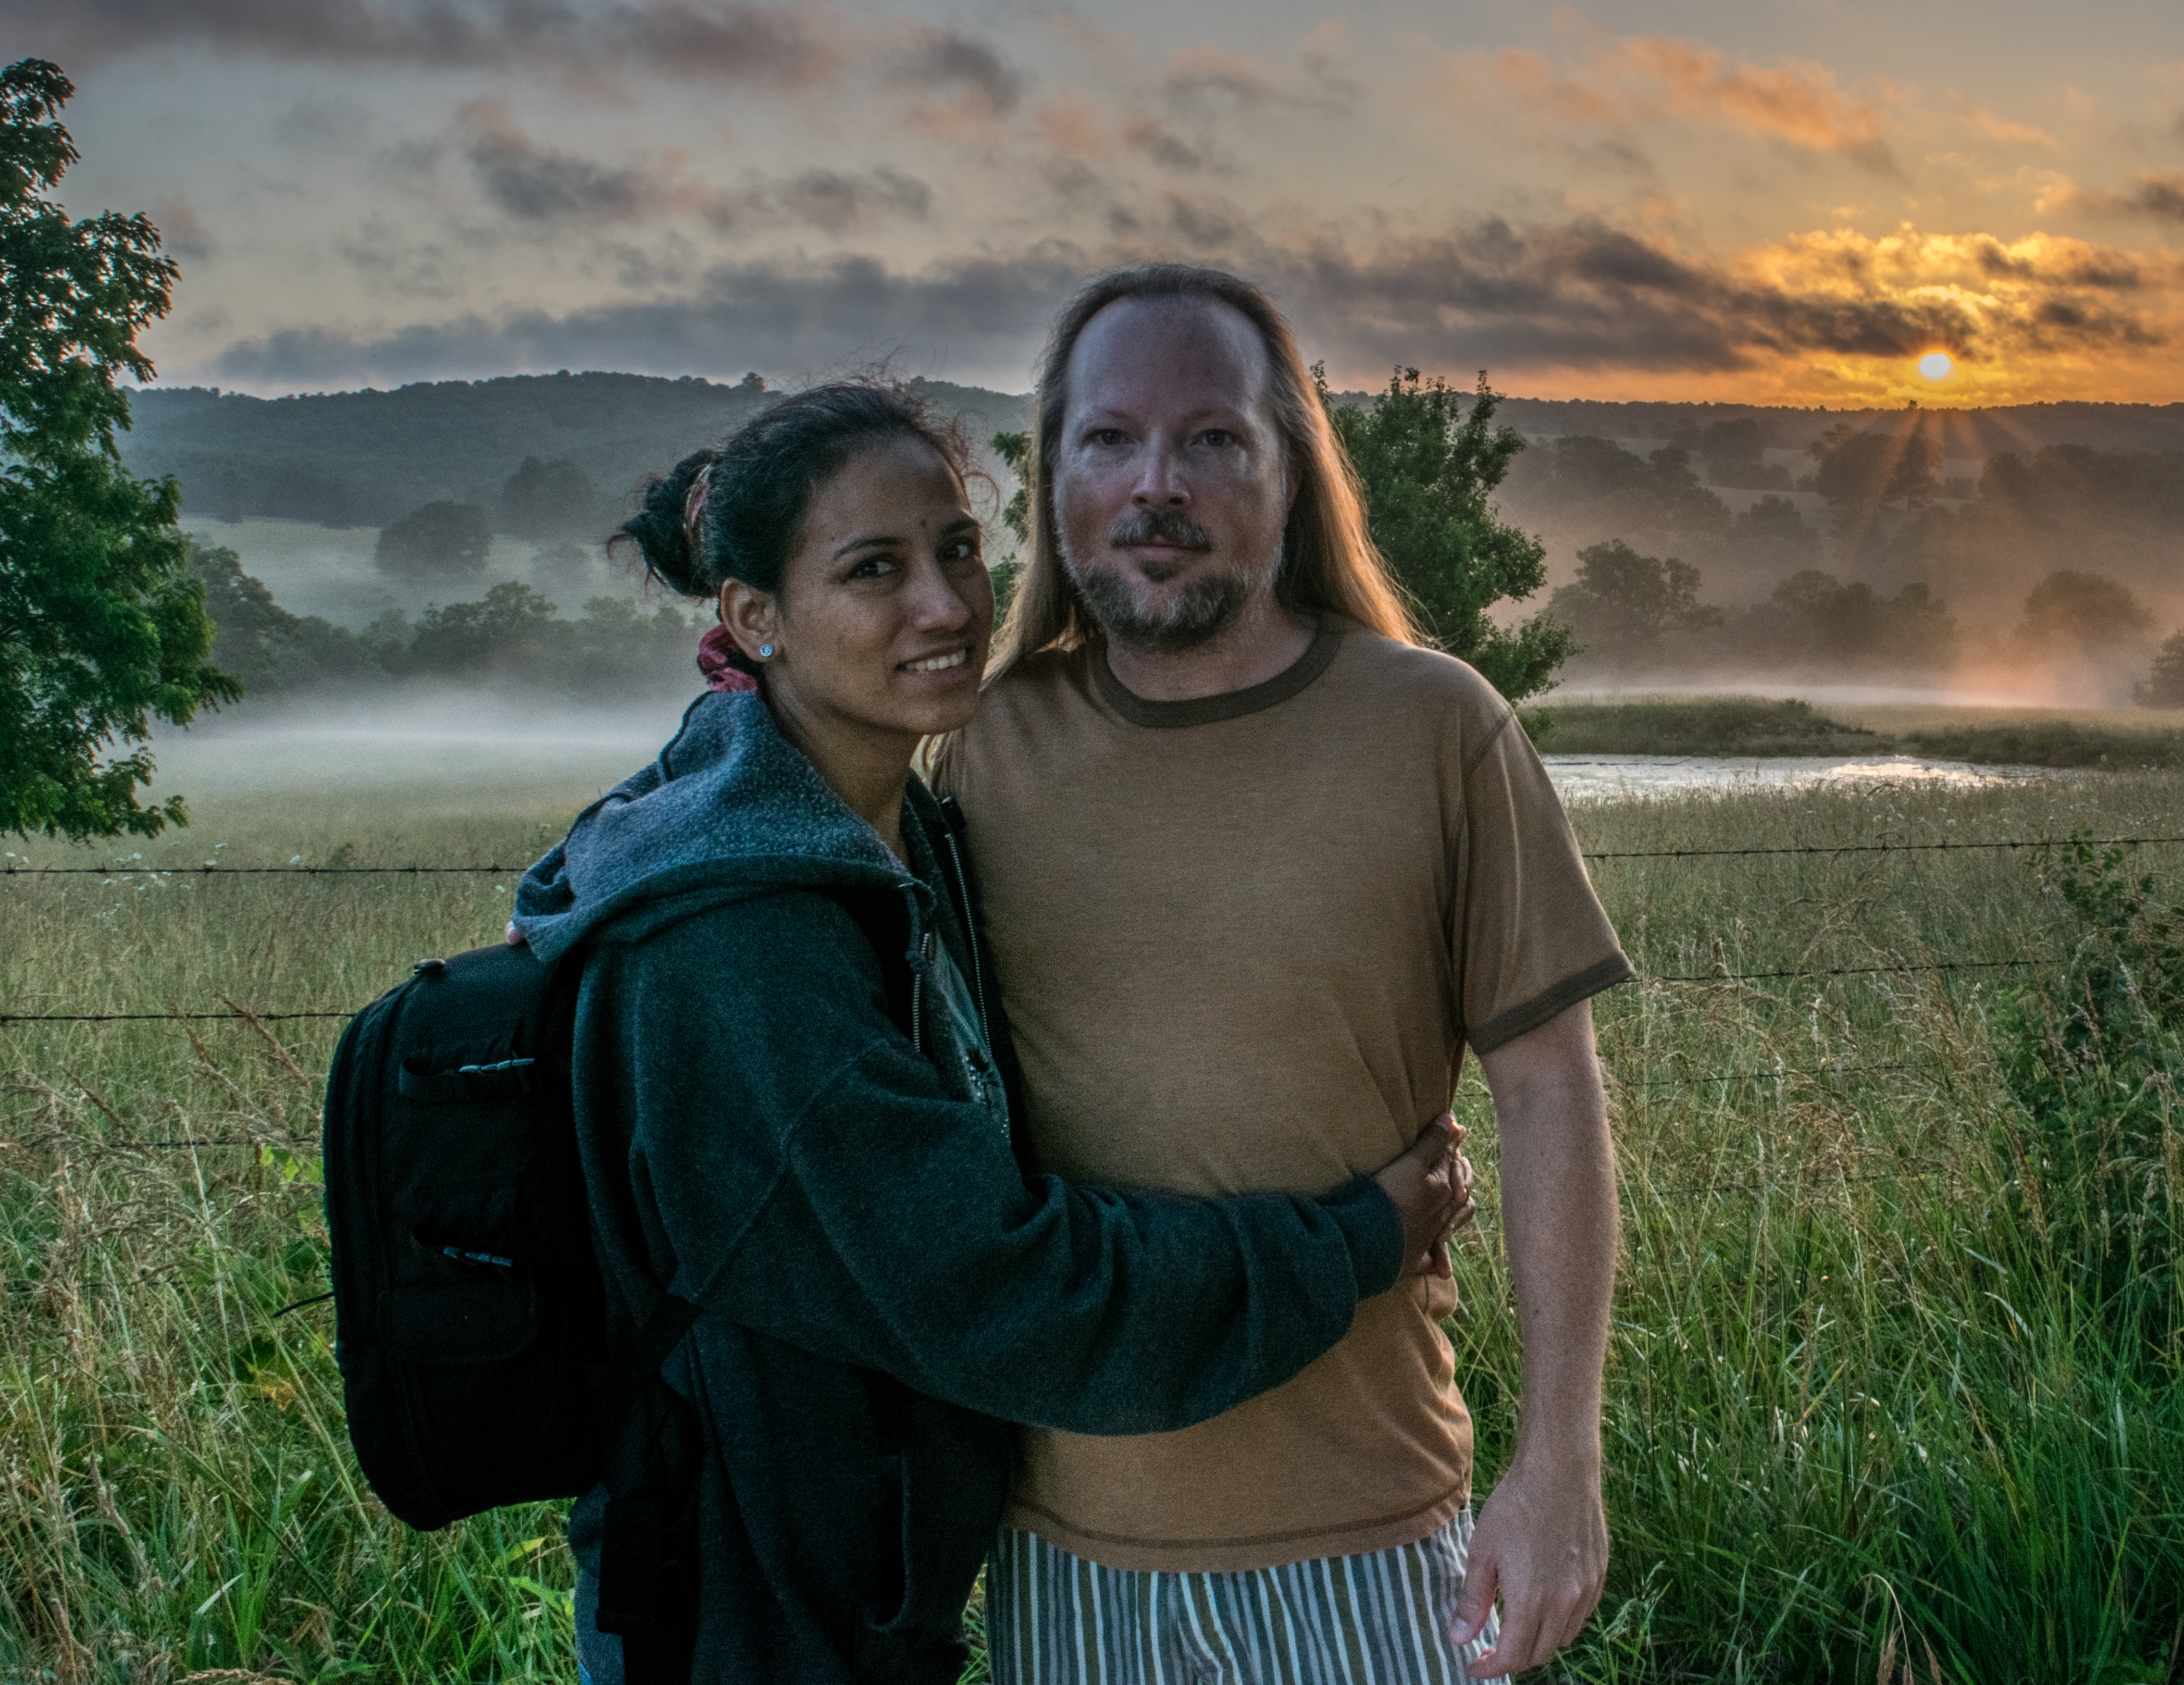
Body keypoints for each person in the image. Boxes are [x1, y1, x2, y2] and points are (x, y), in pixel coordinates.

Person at [508, 378, 1475, 1684]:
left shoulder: (875, 831)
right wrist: (1359, 1236)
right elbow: (1014, 1297)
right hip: (745, 1619)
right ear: (754, 618)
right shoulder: (739, 942)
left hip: (844, 1594)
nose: (948, 605)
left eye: (958, 547)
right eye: (873, 570)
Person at [934, 267, 1629, 1683]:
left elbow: (1550, 1091)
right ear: (1053, 477)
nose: (1157, 483)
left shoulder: (1437, 730)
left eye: (1213, 439)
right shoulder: (980, 753)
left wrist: (1560, 1465)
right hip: (1059, 1545)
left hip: (1374, 1538)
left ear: (1293, 471)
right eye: (1109, 440)